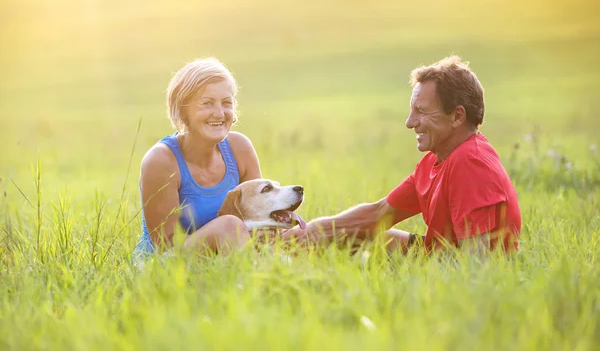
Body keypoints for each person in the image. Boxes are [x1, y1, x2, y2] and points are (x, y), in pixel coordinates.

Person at [282, 56, 522, 255]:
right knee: (350, 234)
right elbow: (378, 214)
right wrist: (317, 230)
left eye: (421, 111)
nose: (410, 123)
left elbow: (476, 266)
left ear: (457, 116)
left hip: (452, 267)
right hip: (439, 254)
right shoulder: (435, 161)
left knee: (351, 237)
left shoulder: (470, 162)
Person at [133, 57, 260, 259]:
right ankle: (259, 279)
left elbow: (259, 216)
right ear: (183, 111)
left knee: (320, 229)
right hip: (165, 267)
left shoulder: (240, 148)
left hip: (228, 256)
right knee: (230, 225)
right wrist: (222, 233)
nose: (219, 113)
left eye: (226, 103)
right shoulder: (161, 161)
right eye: (207, 103)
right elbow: (164, 249)